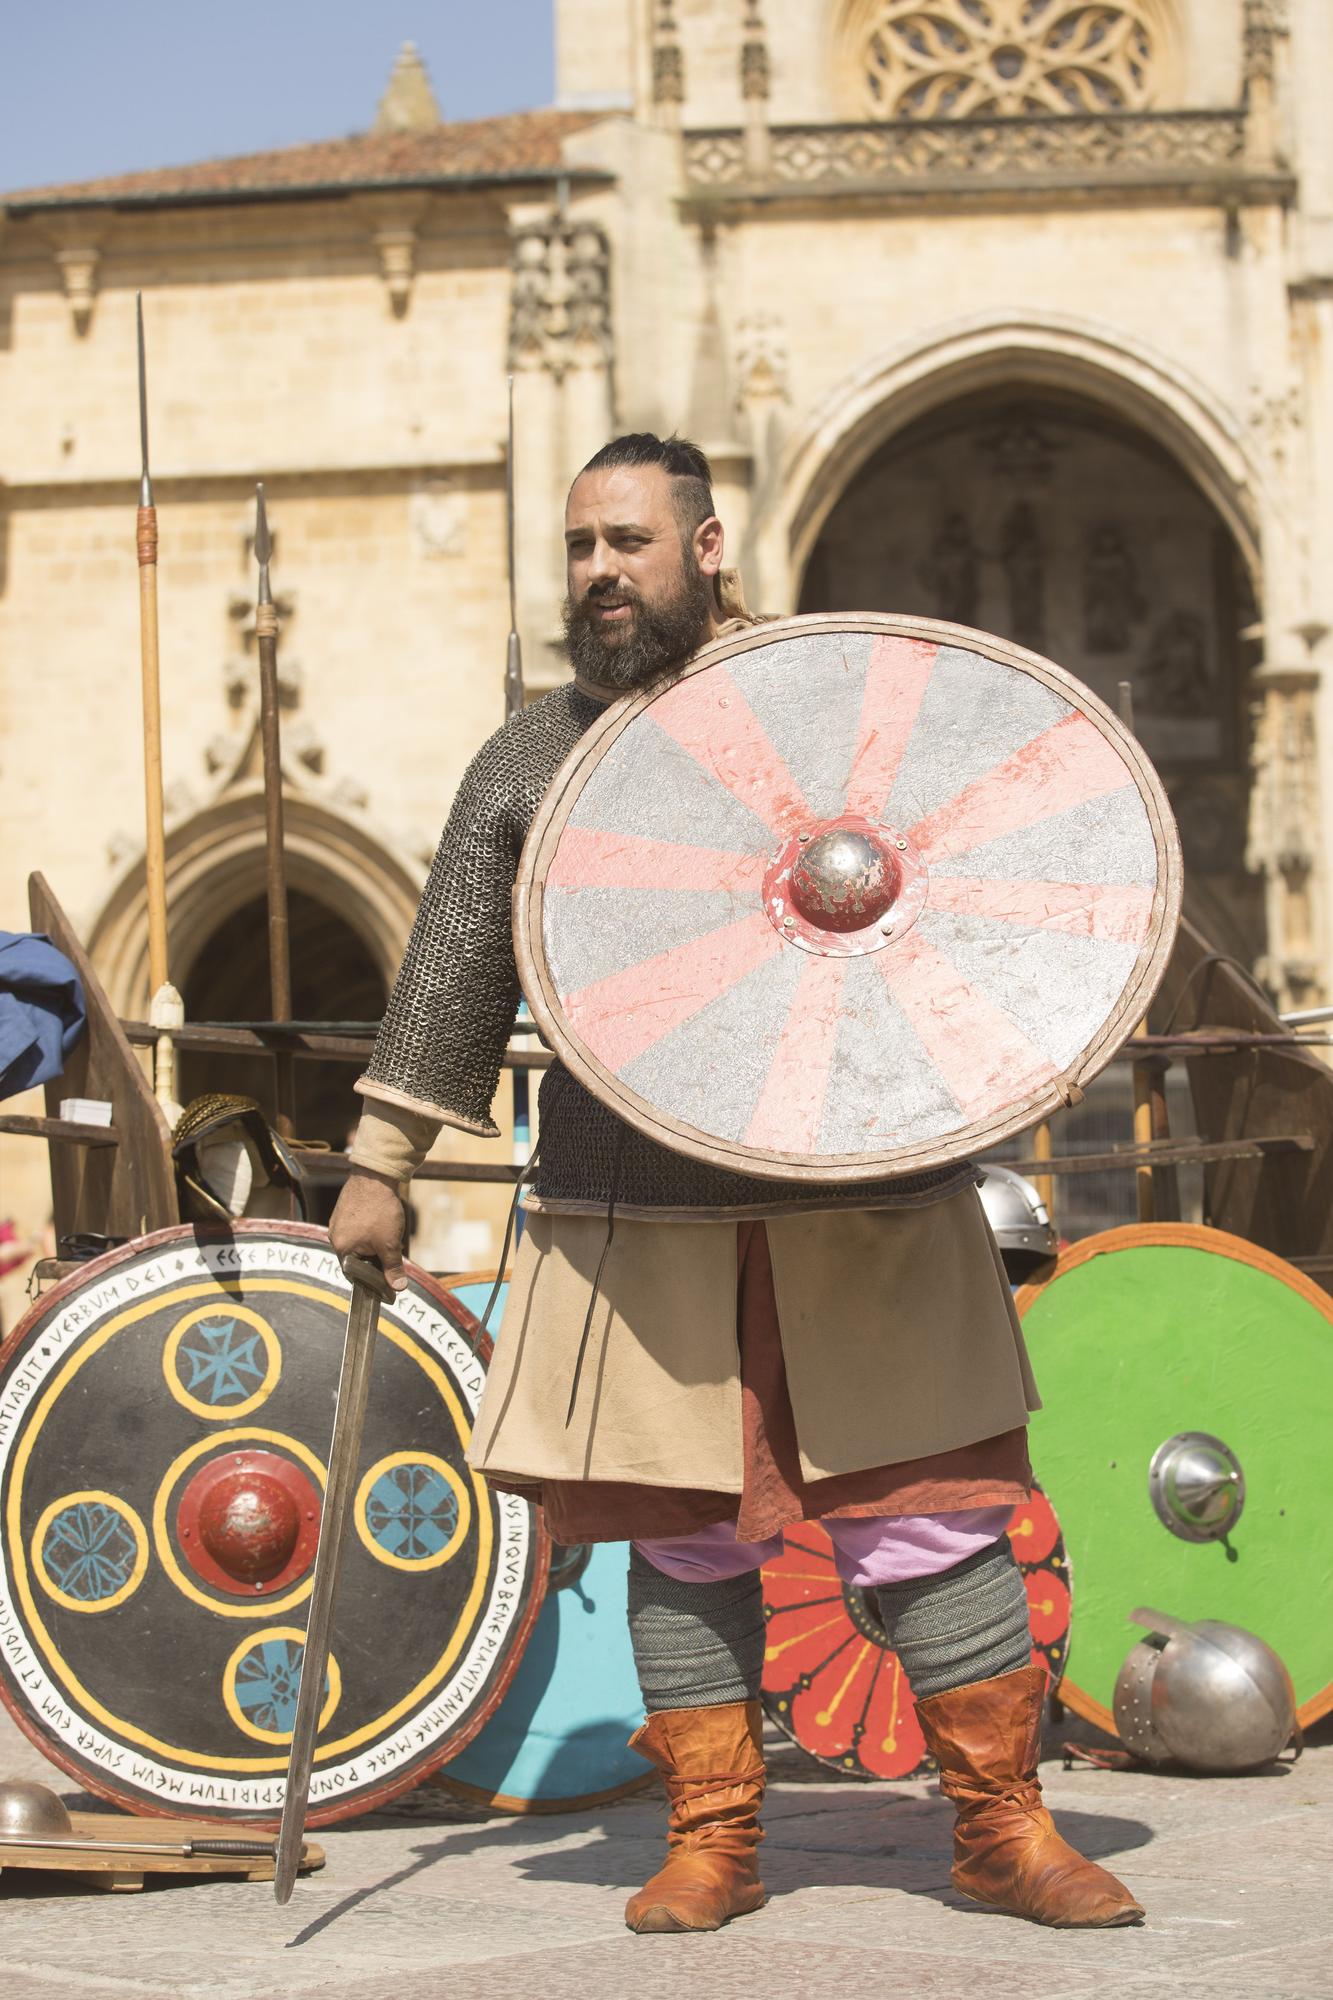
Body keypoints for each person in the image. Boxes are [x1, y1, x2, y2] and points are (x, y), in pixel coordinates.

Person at [330, 433, 1143, 1935]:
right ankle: (711, 1834)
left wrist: (1023, 1031)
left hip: (858, 1185)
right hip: (633, 1199)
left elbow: (963, 873)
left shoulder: (828, 706)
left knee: (930, 1515)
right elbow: (451, 979)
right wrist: (381, 1166)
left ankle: (999, 1829)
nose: (596, 575)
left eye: (627, 543)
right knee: (681, 1527)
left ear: (704, 548)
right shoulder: (528, 758)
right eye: (578, 547)